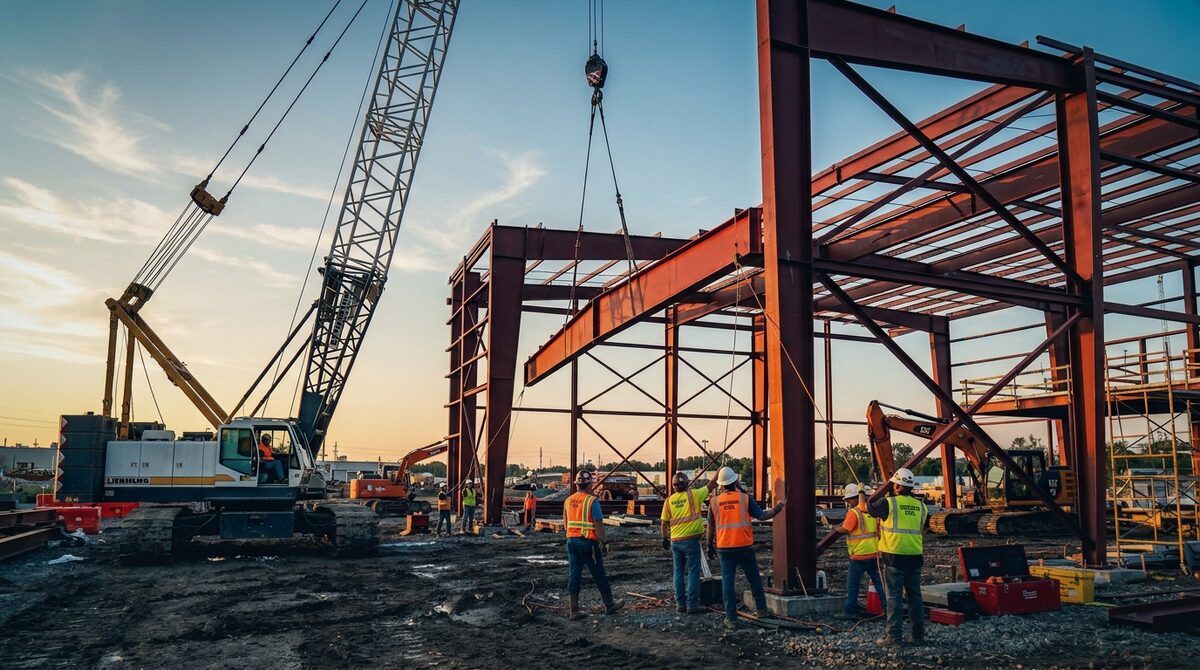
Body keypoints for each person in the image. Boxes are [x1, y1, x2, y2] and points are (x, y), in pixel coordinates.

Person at [706, 466, 786, 628]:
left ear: (721, 485)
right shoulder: (745, 498)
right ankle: (762, 610)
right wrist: (778, 507)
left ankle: (731, 618)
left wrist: (709, 546)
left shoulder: (714, 502)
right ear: (735, 481)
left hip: (725, 548)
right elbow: (763, 516)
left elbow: (710, 527)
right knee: (754, 579)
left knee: (728, 583)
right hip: (744, 546)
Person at [866, 468, 929, 646]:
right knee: (915, 596)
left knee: (893, 597)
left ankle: (894, 637)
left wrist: (867, 493)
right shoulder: (921, 507)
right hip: (915, 556)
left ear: (897, 486)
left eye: (894, 484)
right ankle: (918, 636)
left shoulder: (889, 503)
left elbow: (869, 508)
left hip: (894, 556)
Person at [563, 470, 623, 620]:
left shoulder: (568, 500)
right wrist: (604, 542)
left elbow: (565, 523)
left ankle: (574, 610)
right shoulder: (592, 501)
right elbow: (598, 524)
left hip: (571, 542)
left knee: (574, 574)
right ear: (590, 484)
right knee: (599, 574)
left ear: (577, 484)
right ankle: (609, 605)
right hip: (588, 543)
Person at [660, 470, 717, 614]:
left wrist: (664, 538)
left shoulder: (668, 501)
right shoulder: (694, 495)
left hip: (676, 541)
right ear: (687, 484)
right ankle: (692, 605)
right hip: (691, 541)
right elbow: (711, 485)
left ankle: (680, 605)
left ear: (673, 486)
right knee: (693, 572)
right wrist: (719, 472)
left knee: (678, 572)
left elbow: (664, 523)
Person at [831, 483, 886, 619]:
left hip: (859, 555)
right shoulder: (873, 512)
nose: (848, 502)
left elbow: (845, 529)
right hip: (874, 553)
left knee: (853, 584)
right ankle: (887, 607)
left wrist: (834, 528)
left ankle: (850, 610)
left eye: (850, 499)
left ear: (857, 497)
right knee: (880, 583)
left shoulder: (854, 512)